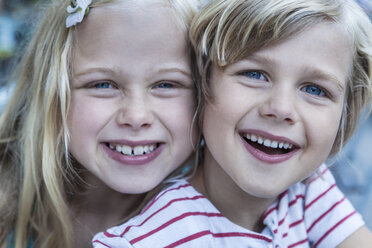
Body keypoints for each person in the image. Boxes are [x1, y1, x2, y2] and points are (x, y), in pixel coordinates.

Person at [92, 0, 372, 247]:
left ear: (345, 114)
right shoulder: (150, 239)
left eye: (314, 90)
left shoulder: (309, 188)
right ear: (204, 80)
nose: (281, 109)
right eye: (255, 74)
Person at [0, 0, 202, 247]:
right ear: (51, 92)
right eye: (103, 84)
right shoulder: (6, 201)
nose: (136, 116)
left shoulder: (216, 226)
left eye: (166, 85)